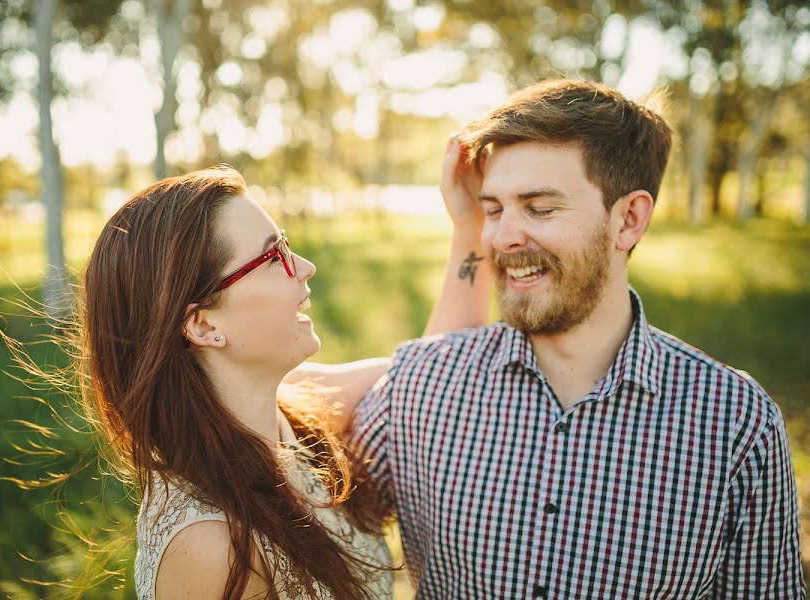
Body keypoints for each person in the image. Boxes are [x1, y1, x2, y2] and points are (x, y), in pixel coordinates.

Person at [349, 79, 805, 598]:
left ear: (628, 220)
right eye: (494, 209)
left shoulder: (736, 425)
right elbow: (302, 512)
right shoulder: (421, 386)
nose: (503, 237)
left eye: (540, 208)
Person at [76, 166, 487, 599]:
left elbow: (435, 365)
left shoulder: (291, 410)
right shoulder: (213, 546)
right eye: (274, 257)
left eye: (286, 245)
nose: (305, 267)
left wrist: (470, 224)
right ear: (203, 324)